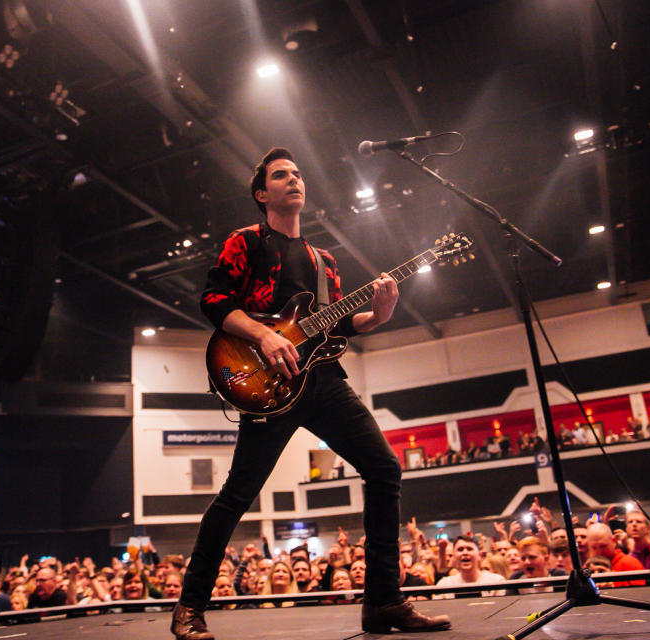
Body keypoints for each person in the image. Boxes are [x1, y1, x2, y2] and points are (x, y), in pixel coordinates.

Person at [171, 148, 449, 639]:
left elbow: (341, 322)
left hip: (321, 380)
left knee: (384, 469)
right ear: (263, 193)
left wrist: (379, 315)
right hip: (267, 381)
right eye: (281, 175)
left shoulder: (324, 260)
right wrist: (263, 334)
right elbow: (213, 301)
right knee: (237, 496)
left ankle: (384, 603)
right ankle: (189, 609)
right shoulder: (246, 241)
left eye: (299, 173)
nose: (294, 179)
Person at [435, 536, 506, 598]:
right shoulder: (444, 585)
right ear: (454, 556)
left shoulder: (496, 581)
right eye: (460, 549)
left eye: (469, 549)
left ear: (479, 555)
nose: (465, 553)